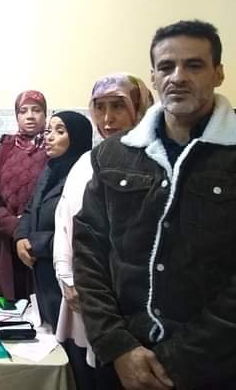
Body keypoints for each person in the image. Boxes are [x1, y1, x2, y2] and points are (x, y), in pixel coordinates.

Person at [74, 20, 236, 390]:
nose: (178, 77)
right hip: (123, 359)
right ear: (153, 76)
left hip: (215, 366)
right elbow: (89, 250)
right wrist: (117, 346)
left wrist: (176, 359)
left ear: (218, 73)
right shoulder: (113, 155)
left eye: (193, 65)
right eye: (166, 67)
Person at [52, 74, 151, 390]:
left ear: (139, 107)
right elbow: (64, 221)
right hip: (82, 293)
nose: (108, 119)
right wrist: (67, 277)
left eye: (118, 107)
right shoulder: (87, 161)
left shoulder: (153, 162)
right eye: (100, 107)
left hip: (128, 302)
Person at [14, 111, 92, 330]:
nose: (49, 137)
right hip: (41, 272)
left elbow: (80, 233)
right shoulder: (50, 169)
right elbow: (30, 208)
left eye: (59, 131)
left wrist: (36, 243)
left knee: (70, 338)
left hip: (69, 276)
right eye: (48, 130)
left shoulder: (85, 176)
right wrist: (21, 237)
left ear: (77, 137)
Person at [0, 90, 48, 299]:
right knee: (7, 305)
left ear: (45, 115)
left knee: (38, 304)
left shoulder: (52, 148)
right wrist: (13, 225)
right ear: (17, 116)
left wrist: (27, 227)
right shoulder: (6, 147)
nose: (30, 116)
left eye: (36, 110)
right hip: (5, 238)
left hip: (38, 239)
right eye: (23, 111)